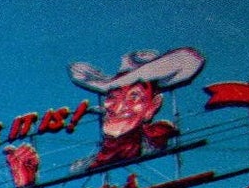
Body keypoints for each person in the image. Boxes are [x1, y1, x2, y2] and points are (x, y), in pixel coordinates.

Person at [68, 47, 205, 167]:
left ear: (153, 106)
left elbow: (191, 59)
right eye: (113, 97)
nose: (120, 106)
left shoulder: (154, 140)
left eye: (134, 97)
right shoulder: (84, 164)